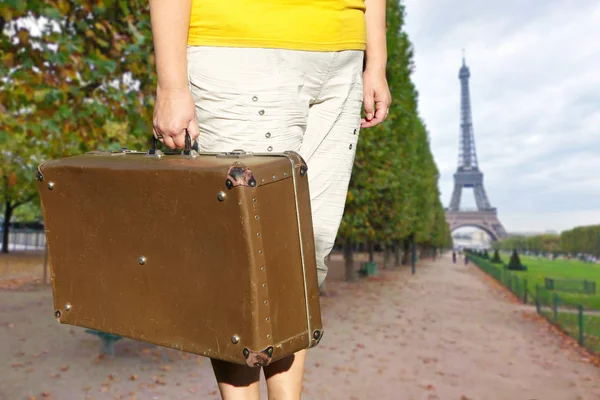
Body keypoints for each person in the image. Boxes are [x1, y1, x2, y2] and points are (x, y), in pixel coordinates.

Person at [148, 0, 391, 398]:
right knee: (243, 266)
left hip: (343, 57)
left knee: (300, 264)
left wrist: (375, 60)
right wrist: (172, 84)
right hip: (241, 48)